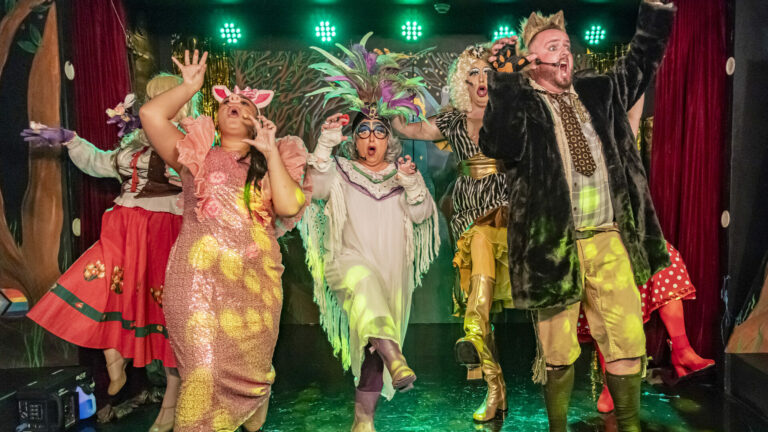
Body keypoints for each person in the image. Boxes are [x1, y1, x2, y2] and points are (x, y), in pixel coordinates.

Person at [479, 2, 676, 431]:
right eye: (553, 46)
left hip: (608, 238)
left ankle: (629, 426)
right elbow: (498, 141)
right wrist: (505, 81)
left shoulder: (599, 91)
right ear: (532, 61)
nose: (564, 52)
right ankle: (557, 427)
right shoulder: (523, 106)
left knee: (626, 340)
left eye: (567, 45)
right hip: (554, 245)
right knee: (557, 350)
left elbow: (641, 60)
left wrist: (657, 10)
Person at [139, 50, 311, 432]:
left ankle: (253, 395)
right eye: (226, 102)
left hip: (255, 286)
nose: (233, 103)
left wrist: (269, 152)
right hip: (195, 281)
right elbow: (151, 116)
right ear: (216, 117)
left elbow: (288, 205)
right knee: (200, 371)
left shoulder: (273, 162)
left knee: (247, 368)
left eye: (243, 102)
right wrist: (188, 87)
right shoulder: (195, 154)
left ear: (258, 118)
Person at [25, 74, 198, 432]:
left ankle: (171, 405)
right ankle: (114, 358)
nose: (153, 105)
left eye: (162, 97)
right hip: (123, 225)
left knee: (166, 316)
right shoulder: (135, 141)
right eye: (151, 98)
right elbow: (102, 163)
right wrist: (71, 139)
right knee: (99, 285)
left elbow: (200, 181)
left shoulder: (191, 140)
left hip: (165, 228)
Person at [300, 33, 440, 432]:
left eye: (380, 132)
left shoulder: (401, 175)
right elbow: (318, 189)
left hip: (391, 269)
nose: (371, 138)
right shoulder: (341, 171)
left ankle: (364, 419)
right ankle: (398, 361)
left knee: (374, 343)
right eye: (363, 132)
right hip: (348, 262)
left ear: (390, 140)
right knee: (365, 291)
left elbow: (420, 217)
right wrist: (326, 145)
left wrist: (413, 184)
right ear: (355, 141)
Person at [392, 43, 512, 422]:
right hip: (468, 214)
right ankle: (495, 388)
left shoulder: (510, 114)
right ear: (462, 82)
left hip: (507, 214)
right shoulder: (452, 120)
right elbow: (403, 127)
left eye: (485, 71)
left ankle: (486, 354)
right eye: (472, 73)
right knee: (478, 305)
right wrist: (388, 92)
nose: (480, 78)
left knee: (487, 305)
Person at [581, 98, 714, 414]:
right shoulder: (571, 146)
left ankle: (682, 351)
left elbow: (633, 112)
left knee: (663, 256)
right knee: (603, 292)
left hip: (625, 235)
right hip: (591, 241)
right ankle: (611, 384)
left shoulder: (619, 139)